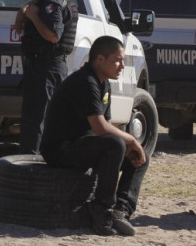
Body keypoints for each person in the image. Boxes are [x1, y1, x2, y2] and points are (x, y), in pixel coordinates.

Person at [40, 36, 147, 237]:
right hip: (61, 149)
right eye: (117, 60)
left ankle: (120, 212)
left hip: (84, 145)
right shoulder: (85, 81)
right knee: (117, 144)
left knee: (139, 156)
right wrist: (131, 139)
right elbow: (100, 128)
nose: (122, 66)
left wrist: (131, 146)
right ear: (100, 59)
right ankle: (102, 211)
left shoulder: (103, 83)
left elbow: (106, 124)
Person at [15, 0, 76, 155]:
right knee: (31, 117)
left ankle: (32, 161)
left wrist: (33, 16)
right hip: (38, 67)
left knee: (38, 118)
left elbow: (53, 36)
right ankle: (30, 157)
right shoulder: (39, 3)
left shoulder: (52, 5)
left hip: (47, 67)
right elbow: (19, 29)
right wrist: (22, 13)